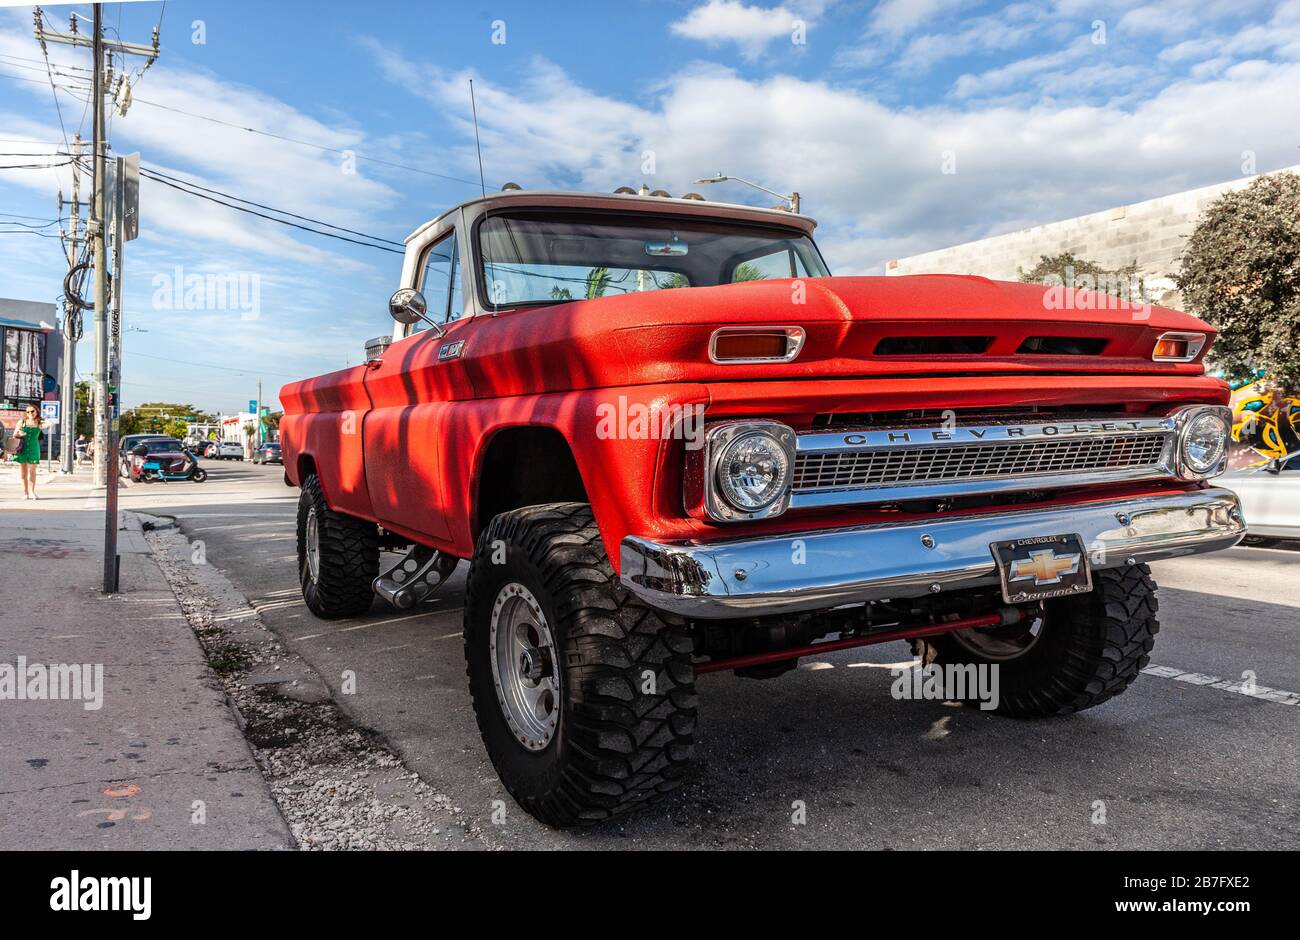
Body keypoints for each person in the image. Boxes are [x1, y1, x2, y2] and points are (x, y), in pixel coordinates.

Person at [10, 404, 49, 500]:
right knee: (23, 473)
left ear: (37, 412)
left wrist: (42, 419)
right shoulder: (22, 422)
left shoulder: (39, 423)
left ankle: (32, 492)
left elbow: (50, 424)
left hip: (34, 448)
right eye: (28, 412)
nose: (30, 413)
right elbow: (14, 434)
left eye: (32, 411)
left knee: (32, 471)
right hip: (22, 448)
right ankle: (25, 493)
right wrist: (19, 433)